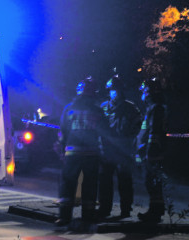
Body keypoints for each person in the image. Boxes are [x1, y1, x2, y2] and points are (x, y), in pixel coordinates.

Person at [54, 76, 105, 227]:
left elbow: (62, 130)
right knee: (90, 186)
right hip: (92, 154)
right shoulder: (98, 110)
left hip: (72, 153)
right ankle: (87, 217)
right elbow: (105, 133)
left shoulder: (69, 108)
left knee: (68, 184)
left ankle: (64, 217)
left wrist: (61, 148)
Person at [97, 76, 143, 220]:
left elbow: (138, 125)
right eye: (112, 90)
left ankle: (125, 210)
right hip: (107, 150)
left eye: (117, 90)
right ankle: (104, 209)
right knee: (105, 181)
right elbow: (97, 125)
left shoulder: (131, 108)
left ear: (122, 91)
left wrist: (129, 137)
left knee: (125, 181)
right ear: (109, 92)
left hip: (124, 150)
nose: (115, 93)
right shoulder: (103, 107)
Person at [136, 76, 168, 223]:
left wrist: (149, 152)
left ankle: (155, 212)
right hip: (150, 151)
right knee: (151, 181)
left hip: (153, 152)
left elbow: (154, 132)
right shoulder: (153, 108)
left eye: (144, 91)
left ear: (149, 92)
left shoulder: (156, 109)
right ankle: (156, 209)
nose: (142, 94)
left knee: (152, 181)